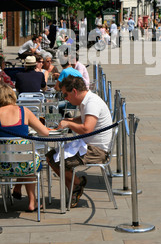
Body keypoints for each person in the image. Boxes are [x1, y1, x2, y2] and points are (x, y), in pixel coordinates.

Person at [46, 75, 112, 208]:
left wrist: (68, 124)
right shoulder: (86, 101)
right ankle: (75, 185)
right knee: (50, 156)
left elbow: (87, 129)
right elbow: (83, 119)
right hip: (88, 146)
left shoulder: (91, 103)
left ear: (74, 91)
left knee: (57, 160)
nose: (65, 98)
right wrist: (68, 121)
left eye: (66, 94)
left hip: (96, 151)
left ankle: (76, 185)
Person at [0, 84, 49, 212]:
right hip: (25, 164)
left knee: (21, 157)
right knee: (29, 159)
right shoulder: (24, 111)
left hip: (2, 165)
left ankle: (18, 189)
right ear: (13, 96)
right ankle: (31, 201)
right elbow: (44, 133)